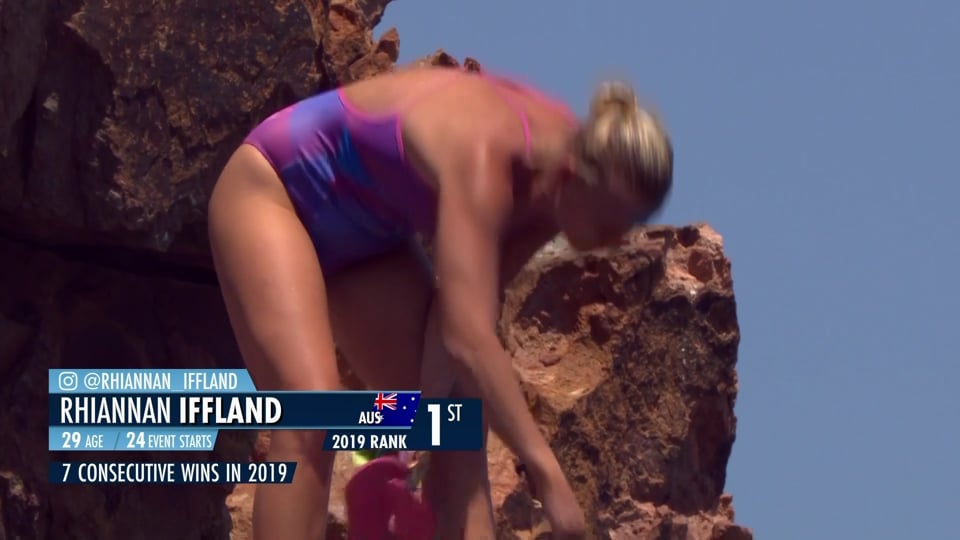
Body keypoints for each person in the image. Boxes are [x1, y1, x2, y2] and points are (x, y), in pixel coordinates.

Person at [207, 64, 673, 539]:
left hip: (367, 244)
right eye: (609, 222)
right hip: (272, 189)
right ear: (573, 175)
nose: (615, 241)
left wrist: (424, 435)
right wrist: (547, 475)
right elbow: (468, 338)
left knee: (458, 423)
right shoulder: (488, 155)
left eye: (628, 225)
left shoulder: (558, 187)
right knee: (312, 410)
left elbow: (458, 317)